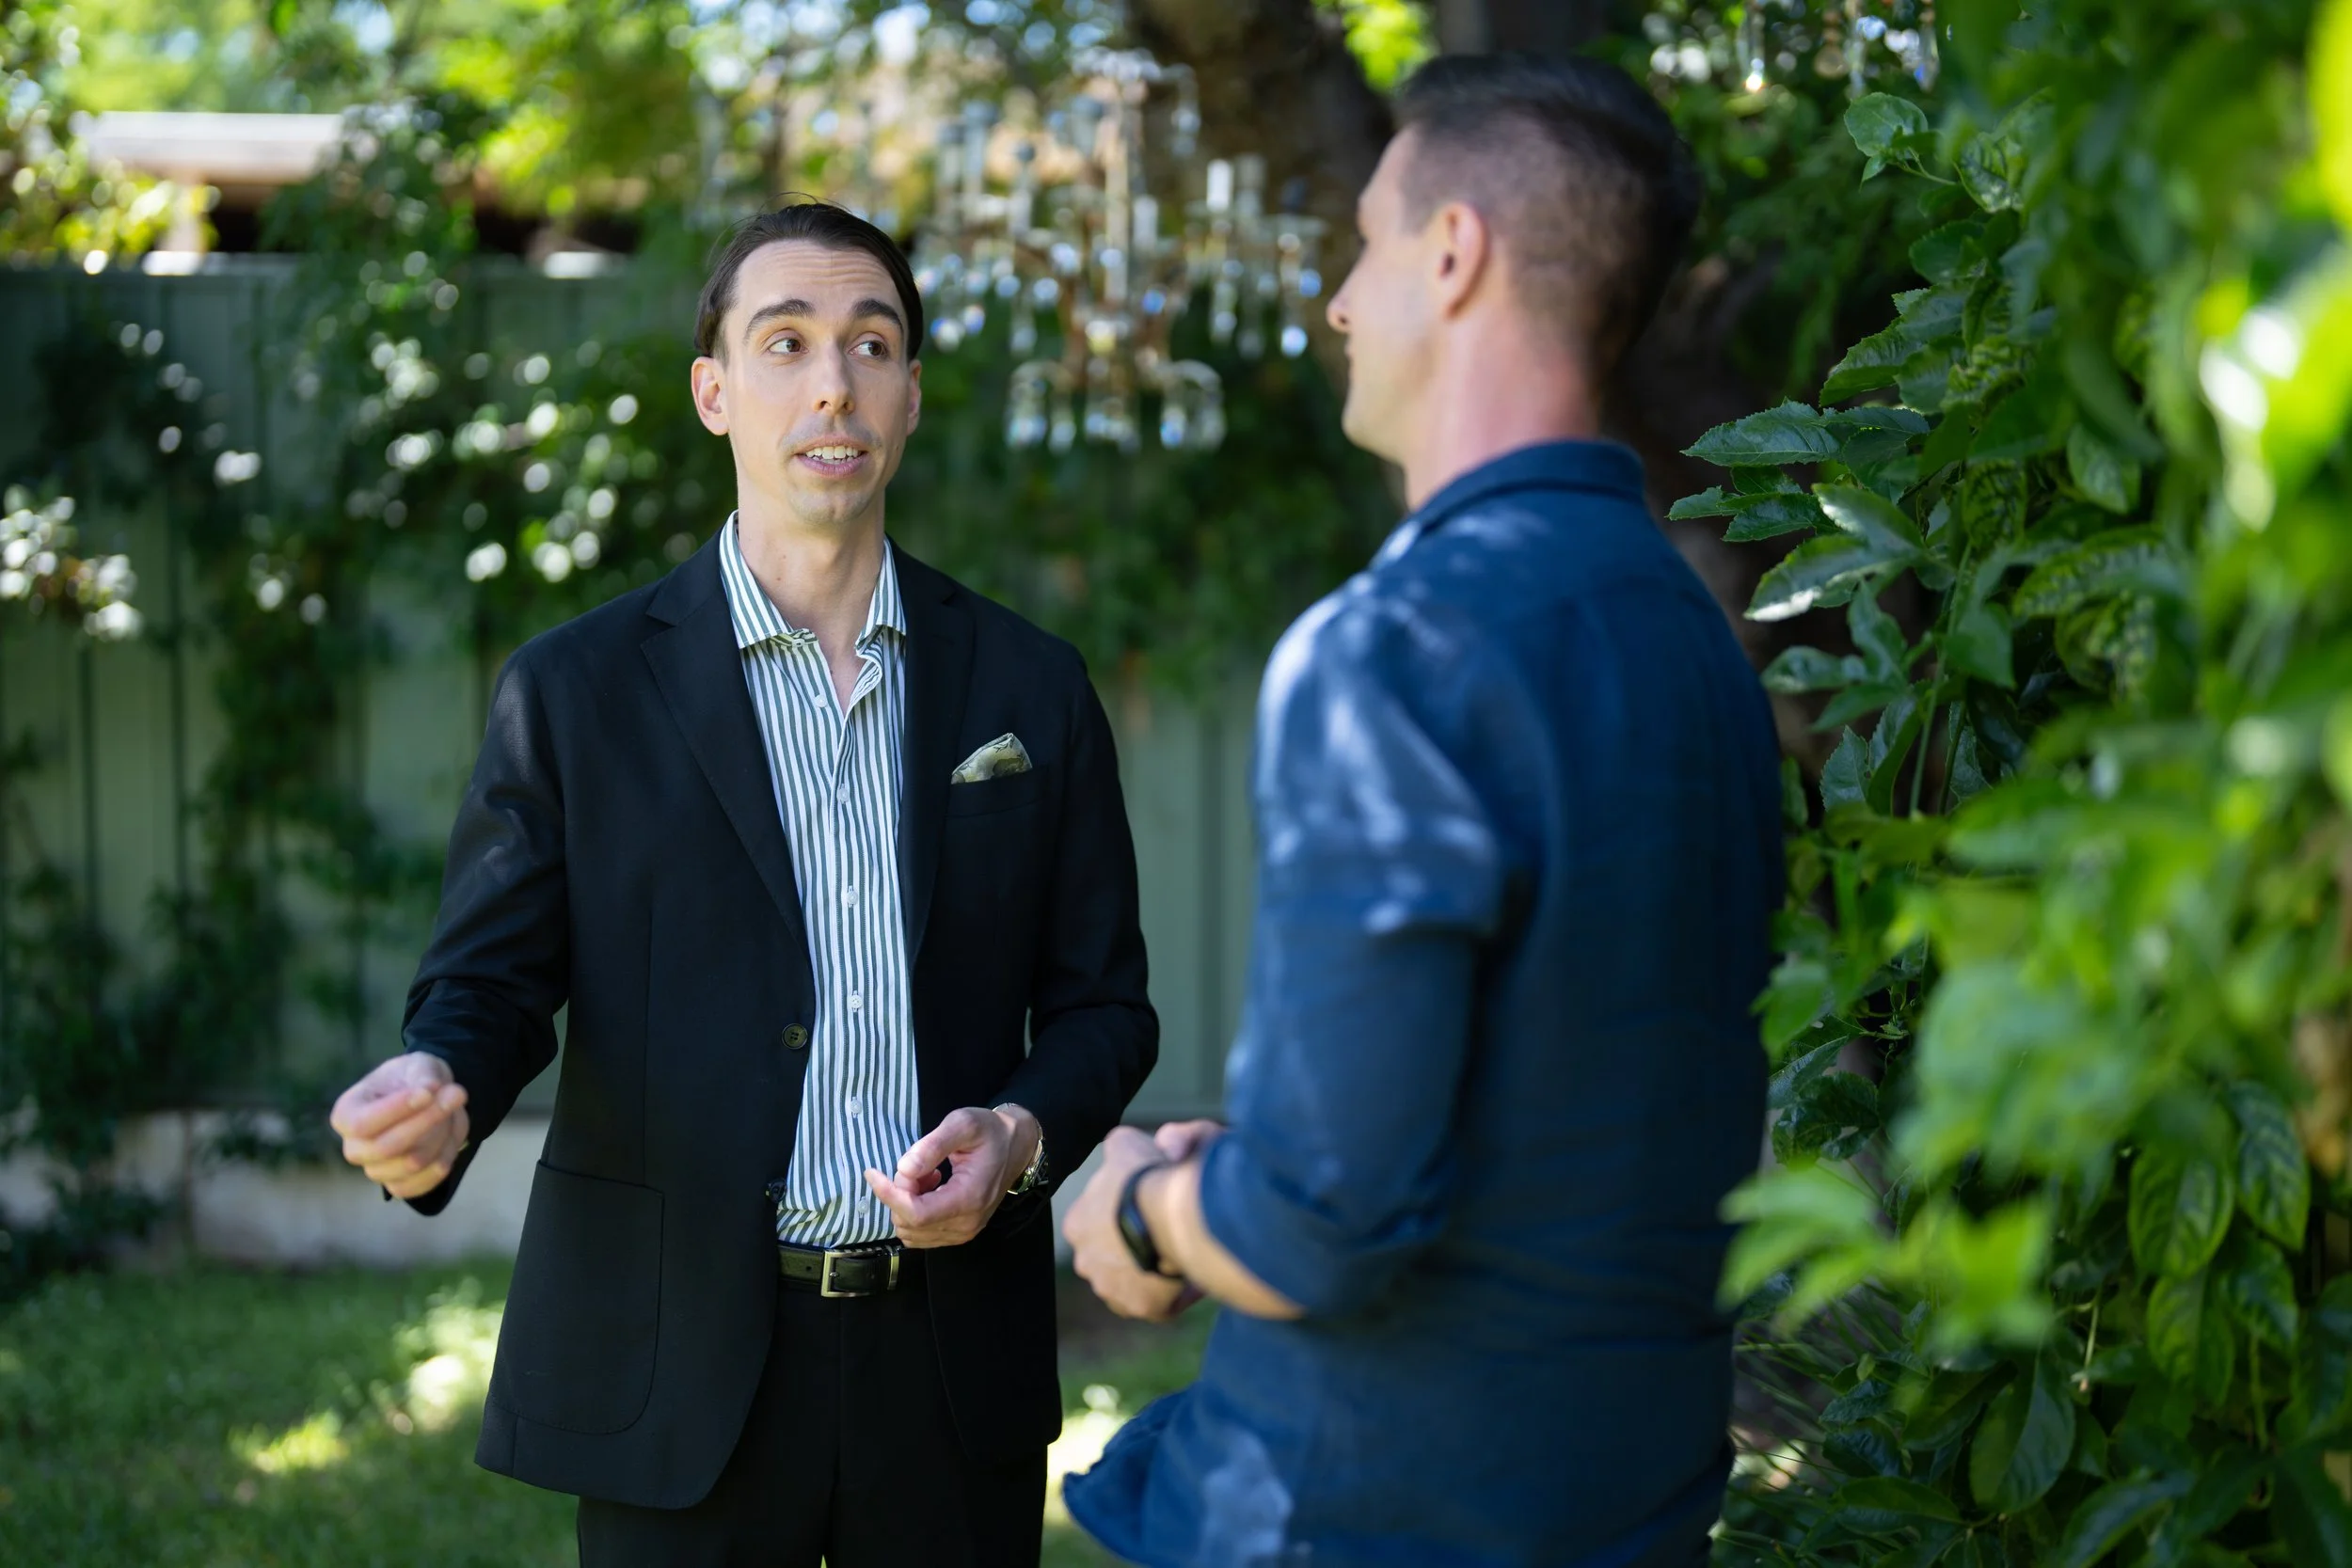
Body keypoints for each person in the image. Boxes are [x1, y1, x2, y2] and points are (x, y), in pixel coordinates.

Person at [326, 198, 1157, 1568]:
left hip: (950, 1370)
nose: (832, 381)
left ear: (910, 393)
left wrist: (1015, 1136)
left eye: (871, 342)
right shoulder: (576, 691)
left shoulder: (1032, 690)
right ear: (714, 391)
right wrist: (442, 1078)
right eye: (786, 342)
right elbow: (489, 981)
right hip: (680, 1361)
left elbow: (1106, 1013)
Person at [1059, 53, 1781, 1568]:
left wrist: (1141, 1206)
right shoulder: (1696, 640)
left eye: (1371, 243)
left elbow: (1315, 1225)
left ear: (1452, 255)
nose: (1337, 301)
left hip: (1365, 1514)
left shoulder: (1397, 644)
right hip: (1631, 1507)